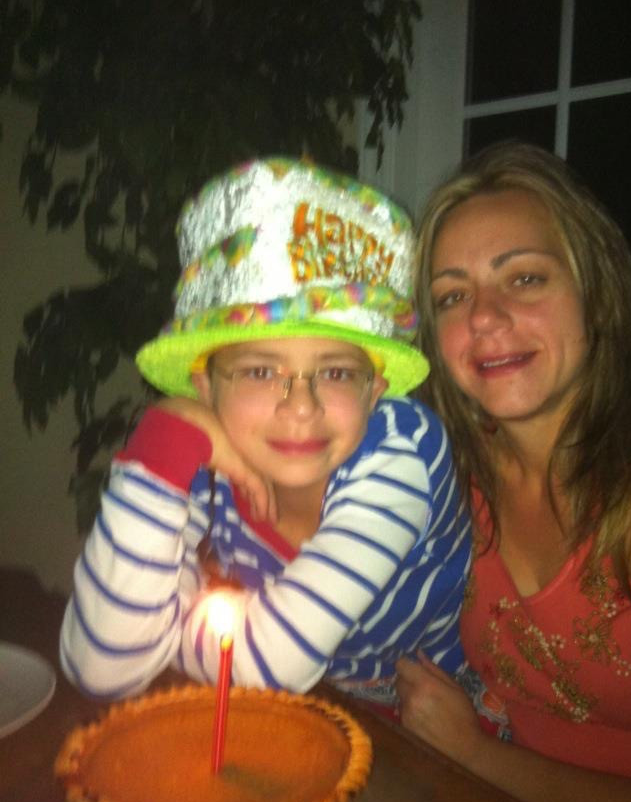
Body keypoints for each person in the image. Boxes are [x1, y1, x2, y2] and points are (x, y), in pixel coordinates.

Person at [60, 158, 472, 714]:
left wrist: (167, 633)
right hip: (308, 713)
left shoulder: (401, 452)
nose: (300, 407)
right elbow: (102, 664)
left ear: (374, 391)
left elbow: (271, 663)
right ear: (206, 391)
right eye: (259, 371)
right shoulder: (206, 460)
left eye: (335, 372)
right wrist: (166, 437)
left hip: (424, 728)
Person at [395, 140, 631, 802]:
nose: (484, 317)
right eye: (452, 296)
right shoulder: (446, 469)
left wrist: (473, 752)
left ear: (594, 294)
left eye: (524, 278)